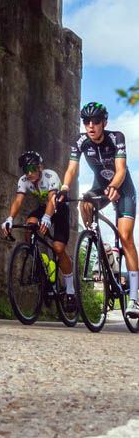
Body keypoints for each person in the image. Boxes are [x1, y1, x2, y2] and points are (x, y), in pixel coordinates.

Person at [59, 101, 138, 318]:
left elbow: (121, 170)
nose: (91, 125)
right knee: (85, 202)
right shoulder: (80, 141)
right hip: (100, 186)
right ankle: (98, 243)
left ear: (104, 122)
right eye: (86, 121)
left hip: (123, 188)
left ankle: (134, 298)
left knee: (126, 237)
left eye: (95, 121)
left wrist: (114, 186)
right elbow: (72, 169)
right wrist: (64, 188)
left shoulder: (117, 138)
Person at [1, 150, 74, 310]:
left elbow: (52, 199)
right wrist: (10, 218)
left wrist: (47, 217)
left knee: (58, 248)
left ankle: (70, 290)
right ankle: (39, 261)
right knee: (30, 225)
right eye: (26, 170)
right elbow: (18, 200)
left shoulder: (50, 176)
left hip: (59, 209)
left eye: (32, 169)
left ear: (40, 167)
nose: (29, 173)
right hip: (43, 207)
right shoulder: (24, 180)